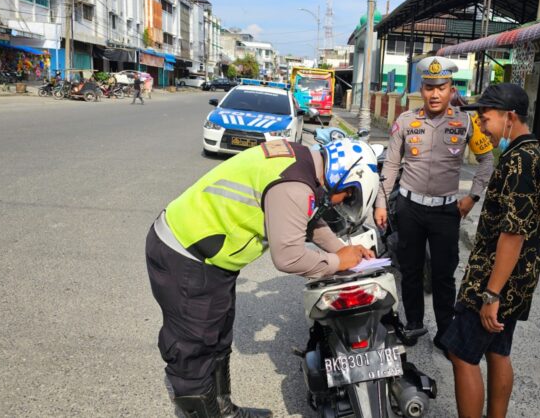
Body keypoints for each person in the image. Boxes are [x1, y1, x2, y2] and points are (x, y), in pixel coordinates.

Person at [146, 139, 379, 418]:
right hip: (185, 253)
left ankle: (223, 411)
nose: (341, 201)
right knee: (194, 349)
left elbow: (308, 218)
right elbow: (288, 257)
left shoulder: (301, 160)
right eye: (348, 195)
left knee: (217, 338)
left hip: (210, 258)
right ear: (345, 175)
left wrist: (340, 249)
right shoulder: (294, 185)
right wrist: (339, 261)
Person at [442, 83, 540, 418]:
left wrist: (491, 294)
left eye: (486, 119)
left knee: (461, 354)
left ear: (510, 117)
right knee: (498, 352)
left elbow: (513, 235)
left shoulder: (519, 162)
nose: (482, 127)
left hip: (495, 280)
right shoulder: (532, 155)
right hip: (517, 279)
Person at [374, 56, 494, 353]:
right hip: (409, 207)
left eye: (441, 87)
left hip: (445, 212)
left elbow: (487, 161)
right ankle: (414, 323)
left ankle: (445, 332)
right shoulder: (404, 121)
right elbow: (390, 166)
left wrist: (472, 197)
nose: (435, 94)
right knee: (411, 271)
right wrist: (379, 203)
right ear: (422, 89)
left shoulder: (466, 122)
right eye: (429, 87)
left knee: (443, 275)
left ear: (451, 88)